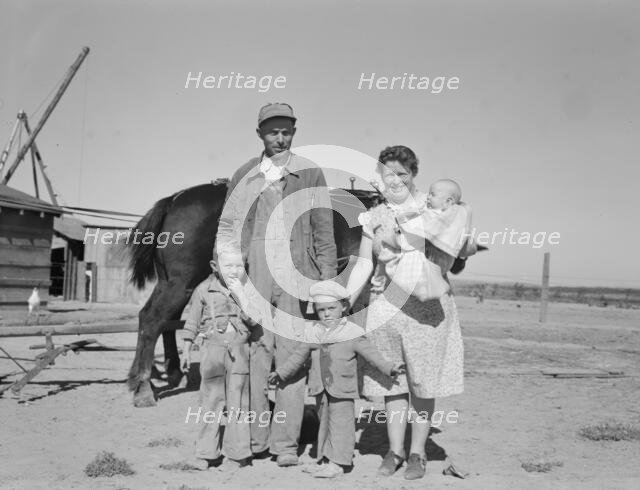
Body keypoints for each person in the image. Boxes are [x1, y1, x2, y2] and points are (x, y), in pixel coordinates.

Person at [216, 103, 338, 466]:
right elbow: (229, 232)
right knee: (257, 357)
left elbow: (323, 230)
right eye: (273, 132)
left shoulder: (310, 173)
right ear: (260, 135)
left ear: (294, 133)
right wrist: (233, 282)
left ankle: (285, 445)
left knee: (293, 360)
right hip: (256, 276)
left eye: (286, 131)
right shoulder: (243, 174)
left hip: (298, 276)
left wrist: (325, 285)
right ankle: (257, 441)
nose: (280, 138)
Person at [346, 145, 473, 480]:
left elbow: (456, 249)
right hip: (385, 307)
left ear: (414, 174)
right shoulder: (373, 216)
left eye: (403, 173)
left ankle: (417, 453)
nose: (396, 180)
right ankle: (394, 451)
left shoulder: (434, 209)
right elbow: (363, 263)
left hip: (426, 309)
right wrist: (343, 298)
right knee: (393, 383)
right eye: (389, 174)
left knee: (422, 382)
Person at [268, 280, 405, 478]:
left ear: (344, 307)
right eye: (321, 309)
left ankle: (339, 462)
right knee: (323, 424)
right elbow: (298, 356)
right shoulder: (313, 332)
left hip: (343, 388)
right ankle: (325, 459)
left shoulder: (352, 333)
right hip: (320, 389)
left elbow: (371, 354)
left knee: (342, 425)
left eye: (332, 308)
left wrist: (390, 368)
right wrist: (281, 373)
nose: (326, 313)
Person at [181, 244, 268, 470]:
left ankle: (238, 455)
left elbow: (254, 321)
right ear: (214, 266)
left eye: (239, 265)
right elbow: (192, 321)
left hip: (239, 352)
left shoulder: (248, 290)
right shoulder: (204, 290)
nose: (234, 270)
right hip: (212, 351)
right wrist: (186, 348)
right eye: (228, 265)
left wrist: (240, 294)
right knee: (210, 401)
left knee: (238, 403)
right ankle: (206, 452)